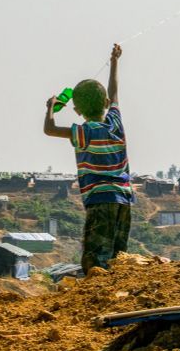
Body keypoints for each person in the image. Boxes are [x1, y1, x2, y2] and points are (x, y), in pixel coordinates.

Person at [44, 44, 133, 274]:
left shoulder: (84, 132)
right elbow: (114, 93)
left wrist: (51, 107)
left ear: (76, 110)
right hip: (123, 199)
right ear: (105, 103)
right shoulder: (115, 122)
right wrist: (114, 62)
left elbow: (49, 129)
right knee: (118, 256)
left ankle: (98, 295)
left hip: (100, 199)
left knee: (95, 259)